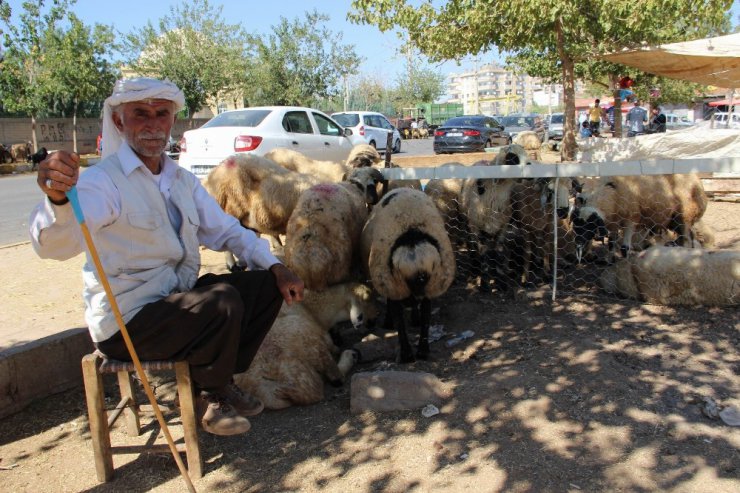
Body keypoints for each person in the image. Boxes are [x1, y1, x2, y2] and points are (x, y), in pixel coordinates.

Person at [29, 78, 305, 437]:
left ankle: (217, 379)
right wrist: (58, 201)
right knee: (222, 302)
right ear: (119, 122)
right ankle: (213, 392)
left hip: (177, 306)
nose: (152, 124)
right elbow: (55, 244)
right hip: (128, 324)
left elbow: (226, 230)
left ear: (171, 121)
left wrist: (277, 266)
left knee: (265, 285)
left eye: (162, 114)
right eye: (140, 114)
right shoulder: (104, 182)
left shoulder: (181, 180)